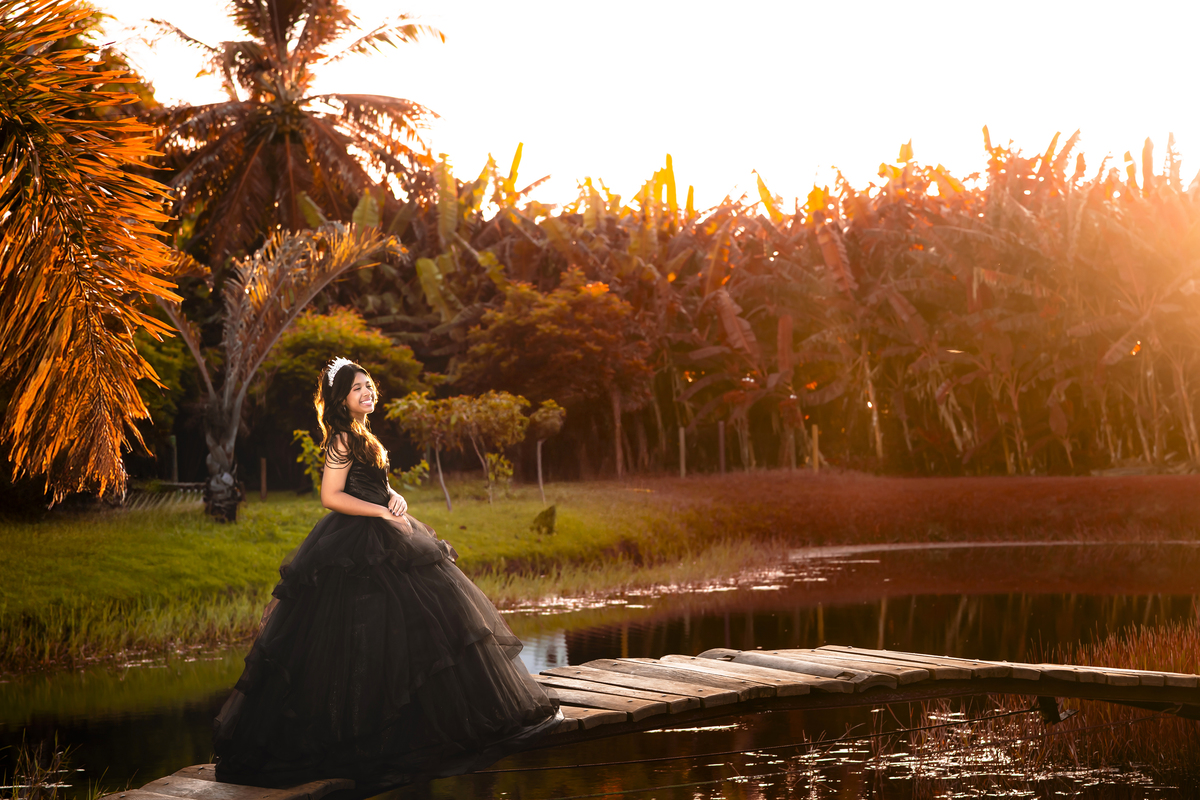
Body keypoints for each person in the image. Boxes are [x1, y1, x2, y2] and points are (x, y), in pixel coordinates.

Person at [213, 357, 560, 790]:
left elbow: (374, 483)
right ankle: (357, 738)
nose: (367, 392)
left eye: (369, 385)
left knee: (421, 628)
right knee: (355, 642)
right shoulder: (340, 437)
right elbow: (330, 495)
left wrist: (394, 498)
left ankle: (415, 728)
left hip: (387, 532)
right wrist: (379, 509)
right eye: (358, 388)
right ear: (341, 399)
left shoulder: (363, 435)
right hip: (354, 543)